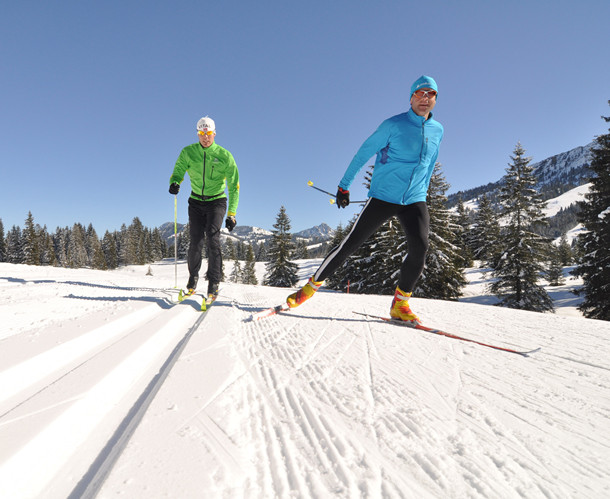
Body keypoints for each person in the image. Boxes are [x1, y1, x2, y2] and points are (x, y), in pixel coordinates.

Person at [286, 76, 444, 324]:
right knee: (350, 245)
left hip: (414, 198)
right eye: (420, 93)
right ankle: (310, 287)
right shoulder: (393, 125)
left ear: (435, 99)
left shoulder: (438, 130)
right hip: (383, 196)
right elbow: (364, 152)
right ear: (411, 97)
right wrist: (344, 186)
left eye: (430, 94)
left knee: (420, 247)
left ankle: (400, 304)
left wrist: (422, 192)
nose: (425, 99)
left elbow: (430, 163)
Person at [169, 116, 240, 302]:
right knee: (195, 241)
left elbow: (234, 185)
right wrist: (175, 182)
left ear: (214, 133)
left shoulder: (225, 156)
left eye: (208, 133)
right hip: (195, 201)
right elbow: (178, 169)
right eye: (201, 133)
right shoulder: (188, 152)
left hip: (217, 201)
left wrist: (232, 214)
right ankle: (193, 279)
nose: (205, 137)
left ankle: (213, 282)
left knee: (212, 239)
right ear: (197, 134)